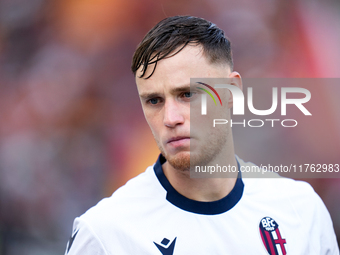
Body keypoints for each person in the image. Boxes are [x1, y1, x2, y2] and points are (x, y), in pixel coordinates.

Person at [65, 16, 339, 254]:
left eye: (187, 94)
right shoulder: (105, 234)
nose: (170, 118)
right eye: (154, 101)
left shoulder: (302, 211)